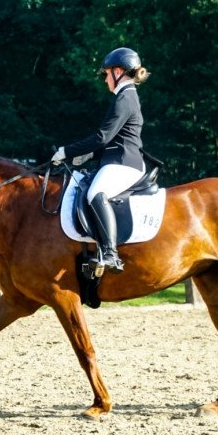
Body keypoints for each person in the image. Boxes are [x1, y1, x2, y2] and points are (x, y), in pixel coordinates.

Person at [51, 47, 150, 274]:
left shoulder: (125, 97)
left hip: (125, 162)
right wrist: (84, 156)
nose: (105, 79)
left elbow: (102, 137)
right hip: (117, 159)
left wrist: (67, 151)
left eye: (106, 74)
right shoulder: (125, 96)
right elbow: (109, 140)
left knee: (95, 193)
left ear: (118, 71)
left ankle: (110, 254)